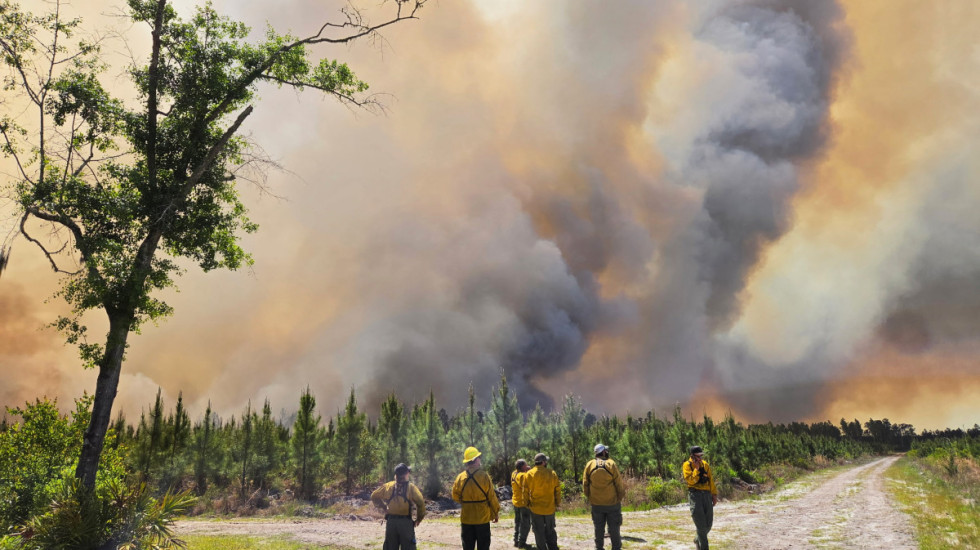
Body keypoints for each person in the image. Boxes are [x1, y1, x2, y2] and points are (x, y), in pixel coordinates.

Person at [452, 446, 500, 550]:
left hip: (466, 518)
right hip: (482, 518)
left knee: (468, 547)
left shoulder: (460, 477)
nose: (480, 459)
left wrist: (465, 502)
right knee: (483, 546)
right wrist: (495, 512)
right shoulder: (484, 476)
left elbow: (455, 495)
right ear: (475, 460)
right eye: (478, 457)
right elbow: (491, 496)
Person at [371, 463, 427, 550]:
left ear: (396, 475)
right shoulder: (411, 487)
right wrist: (418, 519)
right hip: (406, 523)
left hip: (391, 523)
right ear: (405, 474)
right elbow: (421, 504)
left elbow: (374, 496)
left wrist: (383, 507)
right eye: (408, 472)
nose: (409, 473)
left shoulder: (388, 486)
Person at [583, 444, 625, 550]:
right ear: (604, 452)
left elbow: (585, 484)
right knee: (614, 529)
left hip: (596, 504)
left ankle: (599, 548)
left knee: (598, 529)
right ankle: (616, 548)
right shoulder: (611, 464)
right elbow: (619, 484)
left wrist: (590, 497)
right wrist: (619, 497)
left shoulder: (589, 465)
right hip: (612, 504)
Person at [682, 446, 718, 550]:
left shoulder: (705, 464)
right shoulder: (687, 465)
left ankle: (697, 539)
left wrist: (714, 495)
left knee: (708, 524)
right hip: (695, 496)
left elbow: (711, 480)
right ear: (692, 456)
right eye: (698, 456)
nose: (700, 458)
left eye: (701, 456)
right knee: (701, 526)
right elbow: (690, 481)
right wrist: (696, 469)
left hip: (706, 495)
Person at [524, 453, 561, 550]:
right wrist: (557, 503)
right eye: (546, 461)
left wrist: (527, 503)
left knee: (538, 532)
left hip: (536, 509)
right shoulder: (552, 473)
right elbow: (557, 490)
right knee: (550, 530)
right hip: (549, 508)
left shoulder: (529, 474)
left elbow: (525, 491)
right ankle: (553, 548)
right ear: (543, 462)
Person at [511, 458, 532, 549]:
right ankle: (521, 542)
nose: (527, 466)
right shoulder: (522, 476)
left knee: (518, 522)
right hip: (523, 503)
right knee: (525, 524)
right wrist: (529, 471)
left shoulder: (514, 473)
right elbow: (528, 482)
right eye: (525, 465)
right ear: (522, 466)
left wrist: (526, 470)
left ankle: (516, 540)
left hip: (516, 502)